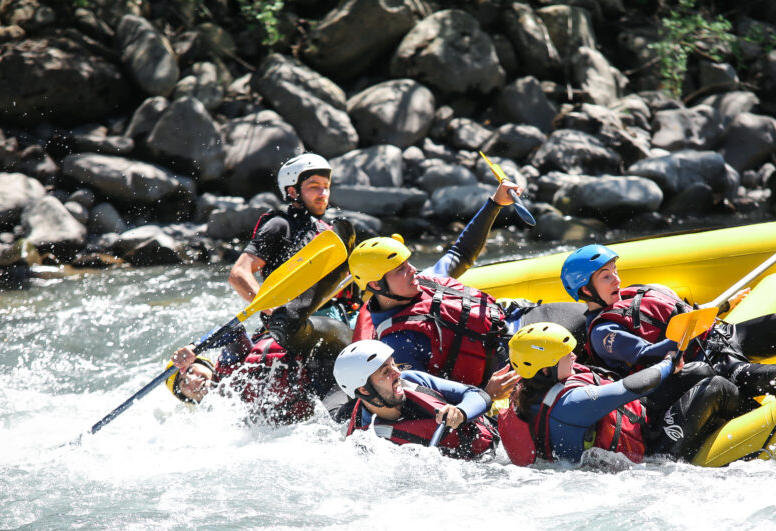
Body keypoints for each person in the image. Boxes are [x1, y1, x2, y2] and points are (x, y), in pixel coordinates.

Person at [561, 244, 776, 402]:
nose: (617, 279)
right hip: (708, 365)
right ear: (586, 289)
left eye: (614, 271)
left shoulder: (632, 292)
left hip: (725, 336)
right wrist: (683, 336)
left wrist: (722, 306)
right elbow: (648, 355)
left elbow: (677, 311)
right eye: (606, 276)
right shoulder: (603, 332)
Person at [346, 179, 526, 400]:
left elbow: (462, 252)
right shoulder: (398, 344)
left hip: (517, 321)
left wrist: (495, 203)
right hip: (512, 362)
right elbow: (430, 403)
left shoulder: (427, 280)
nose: (412, 270)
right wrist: (486, 396)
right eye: (400, 269)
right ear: (375, 285)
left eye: (408, 263)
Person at [499, 322, 741, 466]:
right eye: (566, 355)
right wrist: (669, 362)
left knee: (699, 370)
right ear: (545, 368)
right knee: (716, 387)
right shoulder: (572, 404)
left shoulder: (526, 388)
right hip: (651, 453)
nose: (573, 356)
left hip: (635, 421)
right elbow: (634, 387)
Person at [228, 153, 356, 327]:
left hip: (338, 313)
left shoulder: (327, 231)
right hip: (296, 321)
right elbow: (238, 274)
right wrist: (272, 309)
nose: (323, 193)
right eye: (314, 186)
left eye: (326, 186)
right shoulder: (279, 226)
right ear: (292, 191)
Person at [167, 315, 351, 424]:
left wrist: (196, 346)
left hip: (320, 354)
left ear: (203, 364)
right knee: (339, 421)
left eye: (190, 371)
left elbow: (235, 330)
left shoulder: (228, 366)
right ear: (188, 398)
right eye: (183, 384)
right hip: (325, 389)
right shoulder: (228, 420)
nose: (192, 380)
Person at [332, 340, 499, 459]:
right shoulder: (370, 445)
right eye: (385, 372)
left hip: (492, 445)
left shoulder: (411, 380)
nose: (397, 373)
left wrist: (461, 412)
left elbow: (476, 394)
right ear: (363, 390)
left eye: (393, 364)